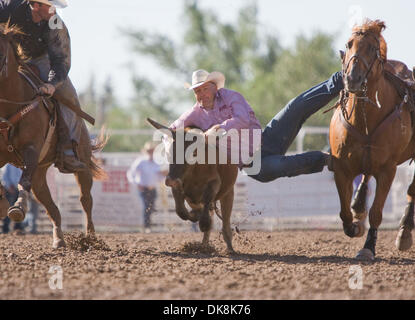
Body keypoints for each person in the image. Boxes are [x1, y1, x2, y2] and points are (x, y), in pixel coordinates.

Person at [170, 69, 344, 182]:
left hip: (267, 139)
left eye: (204, 88)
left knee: (294, 107)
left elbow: (242, 119)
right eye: (197, 91)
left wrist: (217, 129)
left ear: (214, 87)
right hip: (253, 164)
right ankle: (329, 159)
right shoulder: (195, 114)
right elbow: (173, 128)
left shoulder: (231, 97)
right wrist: (169, 137)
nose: (202, 94)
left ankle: (341, 79)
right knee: (283, 165)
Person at [0, 0, 92, 173]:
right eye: (50, 6)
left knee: (68, 95)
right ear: (35, 5)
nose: (53, 10)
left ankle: (68, 150)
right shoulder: (10, 7)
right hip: (8, 55)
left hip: (42, 60)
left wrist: (52, 84)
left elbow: (61, 60)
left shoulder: (55, 24)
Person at [127, 141, 166, 233]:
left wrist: (164, 175)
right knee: (146, 206)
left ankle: (148, 225)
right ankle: (147, 226)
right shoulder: (141, 161)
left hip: (152, 189)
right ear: (146, 151)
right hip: (143, 189)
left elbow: (160, 177)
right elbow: (130, 173)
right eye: (149, 150)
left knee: (150, 207)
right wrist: (136, 184)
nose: (151, 152)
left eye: (152, 150)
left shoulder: (157, 163)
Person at [1, 163, 24, 234]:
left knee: (19, 208)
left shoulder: (21, 165)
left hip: (19, 189)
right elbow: (4, 177)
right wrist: (8, 186)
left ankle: (17, 227)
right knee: (8, 208)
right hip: (10, 189)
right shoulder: (8, 165)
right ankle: (5, 228)